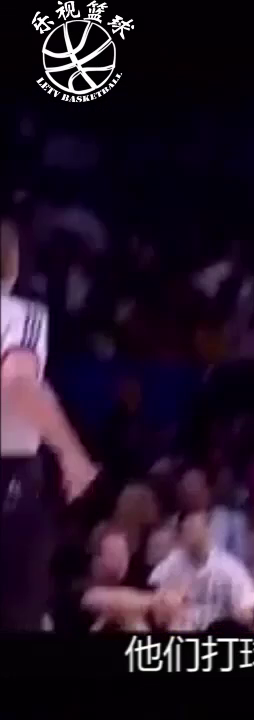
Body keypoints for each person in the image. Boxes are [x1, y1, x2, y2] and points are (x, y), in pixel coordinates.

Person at [0, 213, 97, 630]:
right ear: (12, 261)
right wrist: (72, 454)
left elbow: (35, 387)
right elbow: (19, 383)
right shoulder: (19, 314)